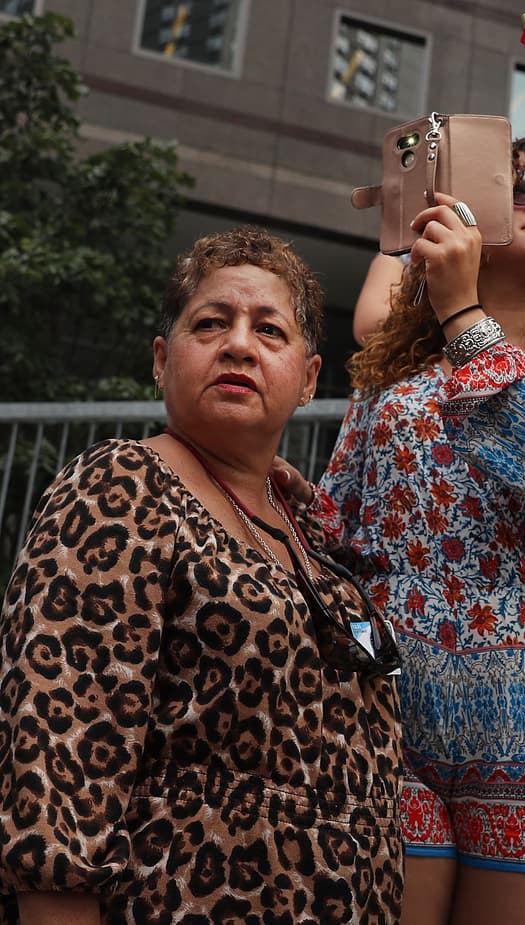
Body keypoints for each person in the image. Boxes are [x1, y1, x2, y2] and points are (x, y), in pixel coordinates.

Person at [0, 227, 404, 923]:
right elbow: (57, 764)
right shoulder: (121, 488)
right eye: (211, 323)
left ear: (309, 378)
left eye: (269, 330)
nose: (239, 344)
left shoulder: (313, 539)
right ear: (162, 361)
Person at [314, 138, 525, 925]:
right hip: (387, 732)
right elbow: (335, 530)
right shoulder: (391, 373)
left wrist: (464, 315)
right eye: (518, 183)